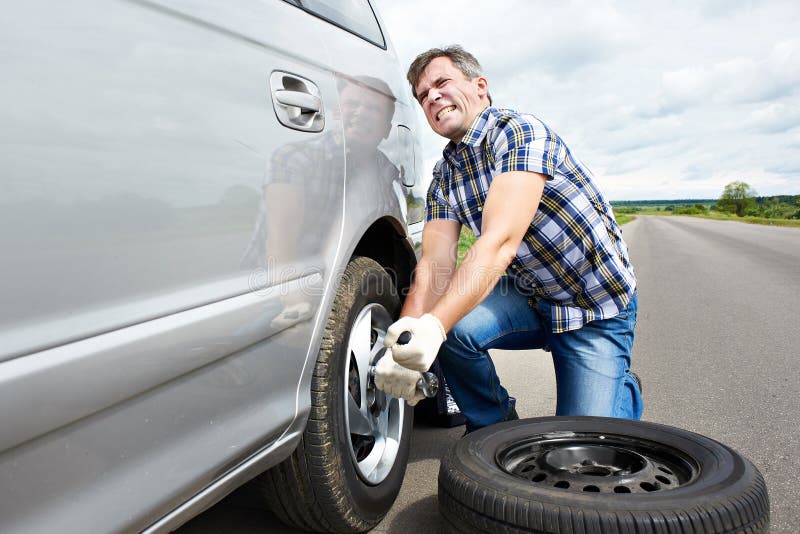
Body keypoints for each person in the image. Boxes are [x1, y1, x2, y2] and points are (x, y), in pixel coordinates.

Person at [374, 45, 642, 433]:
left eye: (441, 82)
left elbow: (500, 242)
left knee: (583, 443)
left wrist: (432, 327)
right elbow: (434, 267)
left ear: (480, 86)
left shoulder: (519, 133)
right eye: (422, 95)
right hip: (531, 296)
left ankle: (621, 386)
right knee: (450, 329)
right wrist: (405, 343)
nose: (431, 96)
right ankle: (493, 429)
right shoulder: (444, 177)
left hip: (593, 310)